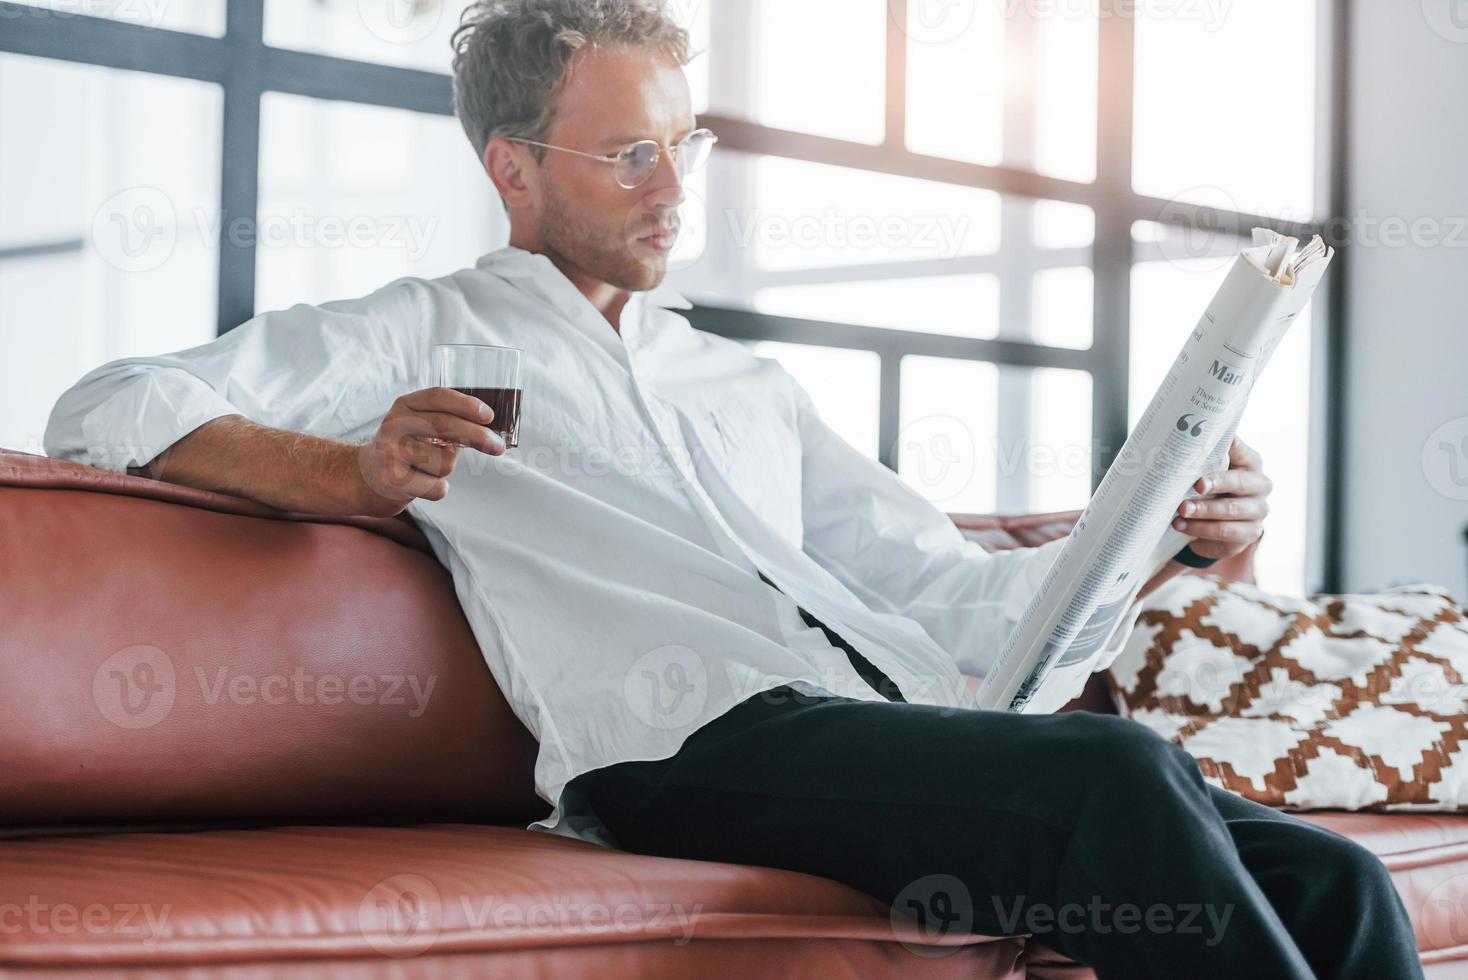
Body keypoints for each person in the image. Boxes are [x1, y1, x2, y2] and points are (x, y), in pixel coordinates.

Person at [44, 2, 1420, 976]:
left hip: (872, 724)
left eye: (683, 145)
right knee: (1115, 774)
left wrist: (1168, 542)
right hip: (681, 754)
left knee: (1340, 877)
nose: (671, 188)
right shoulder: (426, 329)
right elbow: (109, 403)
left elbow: (943, 588)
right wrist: (347, 474)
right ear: (511, 169)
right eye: (629, 152)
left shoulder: (739, 382)